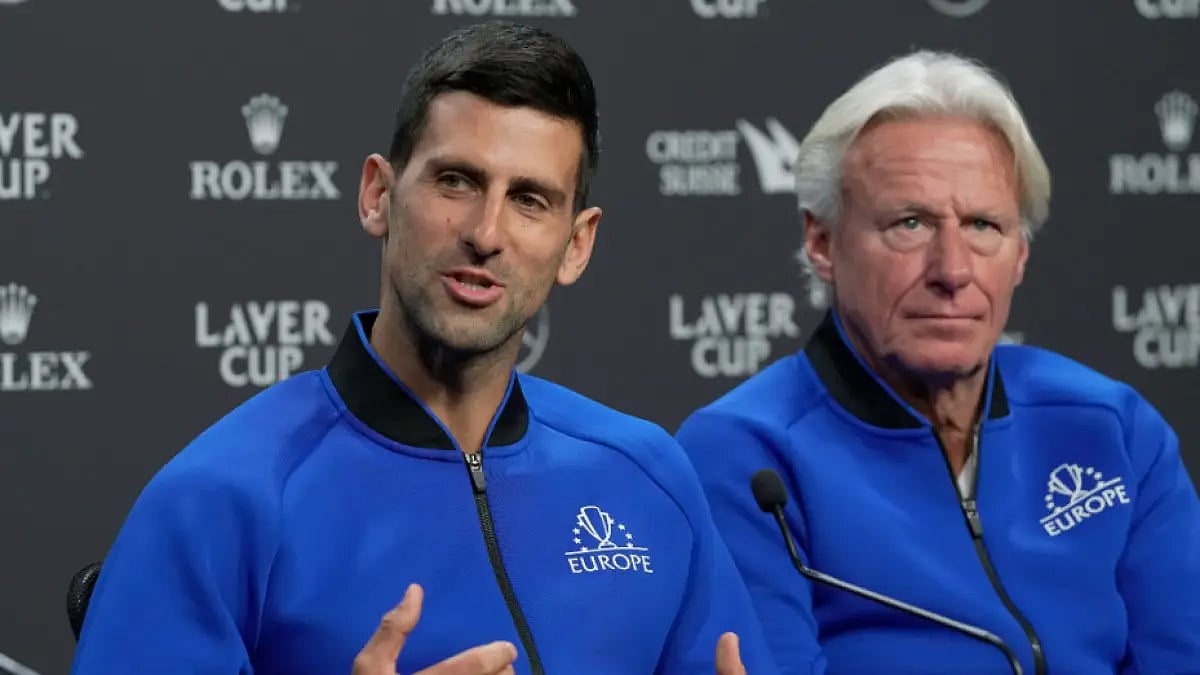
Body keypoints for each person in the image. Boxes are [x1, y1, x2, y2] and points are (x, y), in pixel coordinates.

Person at [70, 21, 776, 675]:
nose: (487, 231)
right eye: (457, 180)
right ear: (378, 194)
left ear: (577, 242)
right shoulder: (218, 500)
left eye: (530, 199)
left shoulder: (649, 476)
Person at [674, 49, 1200, 675]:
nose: (953, 270)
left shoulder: (1113, 426)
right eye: (911, 223)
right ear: (822, 243)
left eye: (983, 226)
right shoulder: (746, 456)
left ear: (1021, 254)